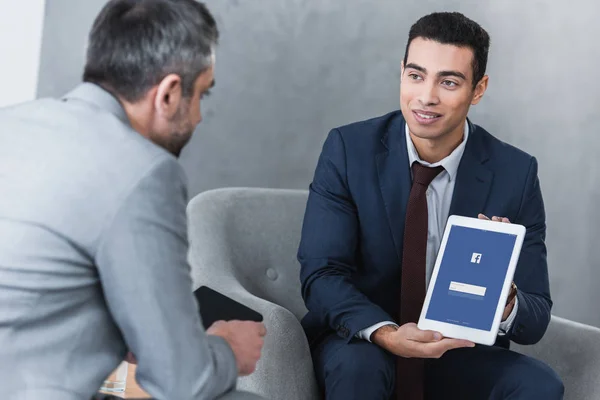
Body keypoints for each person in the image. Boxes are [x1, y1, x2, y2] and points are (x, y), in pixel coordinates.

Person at [0, 1, 266, 399]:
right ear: (169, 95)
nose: (197, 119)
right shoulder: (145, 171)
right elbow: (182, 382)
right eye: (201, 97)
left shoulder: (12, 123)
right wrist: (229, 348)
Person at [298, 11, 564, 400]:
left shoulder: (514, 173)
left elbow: (535, 316)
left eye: (449, 81)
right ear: (401, 72)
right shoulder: (348, 150)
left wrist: (505, 300)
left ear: (478, 89)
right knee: (360, 370)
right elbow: (321, 275)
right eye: (416, 75)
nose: (426, 96)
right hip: (364, 340)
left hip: (454, 349)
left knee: (540, 385)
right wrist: (387, 334)